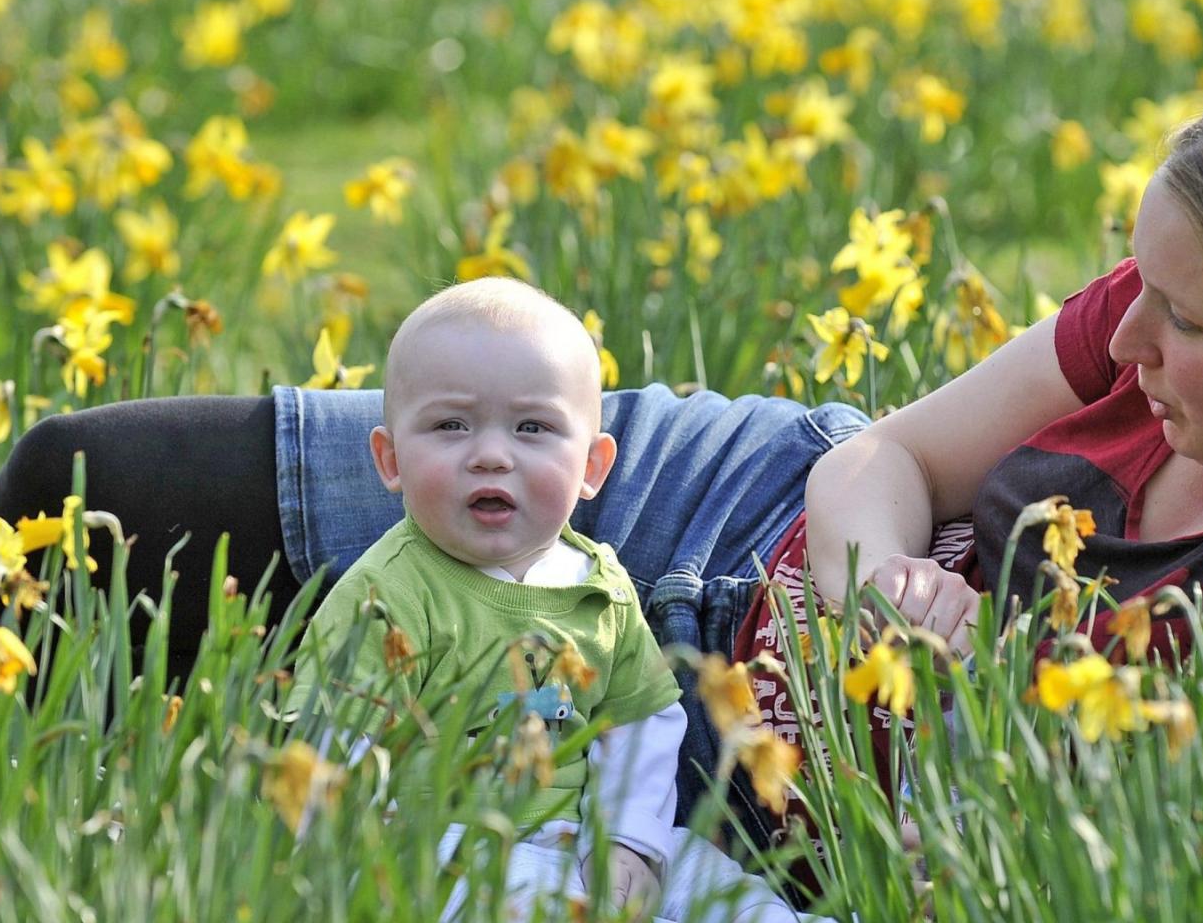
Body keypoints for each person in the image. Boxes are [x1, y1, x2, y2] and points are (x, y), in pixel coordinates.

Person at [0, 68, 1203, 831]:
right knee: (73, 488)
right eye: (1130, 287)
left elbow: (1127, 822)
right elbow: (883, 457)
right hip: (718, 492)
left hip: (725, 743)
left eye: (1184, 327)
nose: (1128, 346)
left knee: (290, 754)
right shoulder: (1186, 296)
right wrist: (869, 587)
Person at [286, 277, 818, 922]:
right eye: (451, 425)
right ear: (390, 459)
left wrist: (628, 843)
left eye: (533, 427)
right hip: (444, 841)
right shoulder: (388, 593)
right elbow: (330, 741)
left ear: (592, 468)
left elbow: (638, 721)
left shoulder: (600, 586)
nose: (490, 455)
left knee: (723, 888)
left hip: (582, 839)